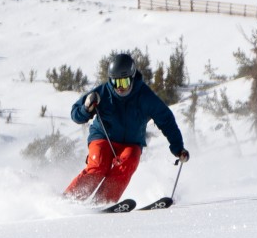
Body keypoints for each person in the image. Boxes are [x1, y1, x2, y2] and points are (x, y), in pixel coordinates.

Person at [66, 53, 189, 204]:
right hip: (103, 138)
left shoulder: (145, 97)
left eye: (124, 82)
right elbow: (76, 115)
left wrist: (178, 148)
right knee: (98, 165)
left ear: (132, 77)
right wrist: (86, 108)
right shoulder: (103, 92)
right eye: (115, 82)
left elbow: (166, 120)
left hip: (131, 142)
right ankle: (70, 199)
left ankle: (102, 202)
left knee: (129, 161)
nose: (120, 87)